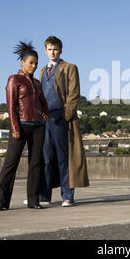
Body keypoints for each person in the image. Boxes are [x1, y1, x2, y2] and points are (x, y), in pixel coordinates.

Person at [0, 42, 49, 211]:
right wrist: (15, 127)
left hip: (38, 127)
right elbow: (11, 107)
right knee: (11, 163)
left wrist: (45, 113)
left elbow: (43, 103)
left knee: (36, 163)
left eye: (36, 63)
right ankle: (0, 203)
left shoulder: (37, 83)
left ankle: (33, 201)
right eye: (31, 62)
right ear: (22, 63)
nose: (33, 66)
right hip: (21, 127)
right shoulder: (14, 80)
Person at [38, 35, 89, 207]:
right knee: (45, 158)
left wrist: (65, 116)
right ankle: (44, 196)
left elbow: (74, 94)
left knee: (63, 157)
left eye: (55, 49)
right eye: (49, 49)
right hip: (44, 119)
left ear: (60, 50)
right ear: (45, 51)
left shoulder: (70, 68)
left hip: (60, 117)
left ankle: (67, 195)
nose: (52, 52)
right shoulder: (43, 70)